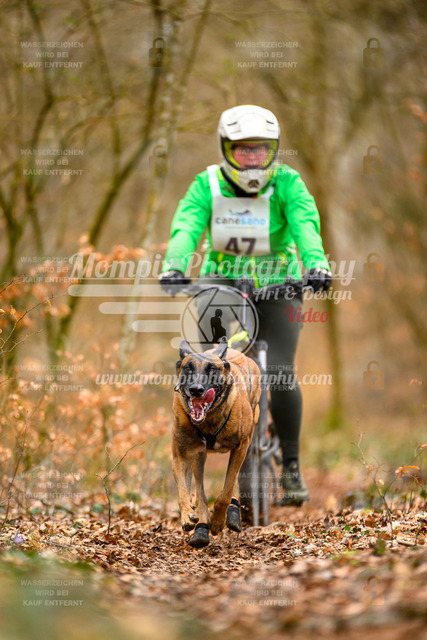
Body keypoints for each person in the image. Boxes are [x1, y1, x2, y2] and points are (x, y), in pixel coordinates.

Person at [159, 104, 332, 506]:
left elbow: (305, 224)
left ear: (274, 150)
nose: (253, 157)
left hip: (280, 282)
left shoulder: (288, 183)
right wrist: (174, 265)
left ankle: (291, 467)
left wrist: (317, 264)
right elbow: (187, 224)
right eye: (243, 149)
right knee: (210, 367)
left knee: (282, 373)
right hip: (221, 283)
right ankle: (209, 444)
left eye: (261, 149)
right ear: (226, 149)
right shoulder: (207, 184)